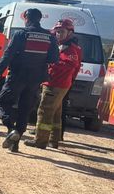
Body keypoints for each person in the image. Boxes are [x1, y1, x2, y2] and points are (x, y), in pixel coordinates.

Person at [0, 8, 59, 152]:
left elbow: (7, 55)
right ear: (40, 19)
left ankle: (11, 129)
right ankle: (14, 144)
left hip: (17, 75)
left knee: (3, 101)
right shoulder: (50, 37)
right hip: (36, 78)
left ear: (26, 18)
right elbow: (54, 58)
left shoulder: (21, 34)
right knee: (25, 108)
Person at [24, 19, 82, 149]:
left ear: (70, 32)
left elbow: (70, 65)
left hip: (55, 83)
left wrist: (50, 62)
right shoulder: (64, 46)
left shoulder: (71, 49)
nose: (58, 34)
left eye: (61, 32)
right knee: (56, 113)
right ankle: (53, 140)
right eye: (57, 31)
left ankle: (40, 141)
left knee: (44, 111)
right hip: (59, 83)